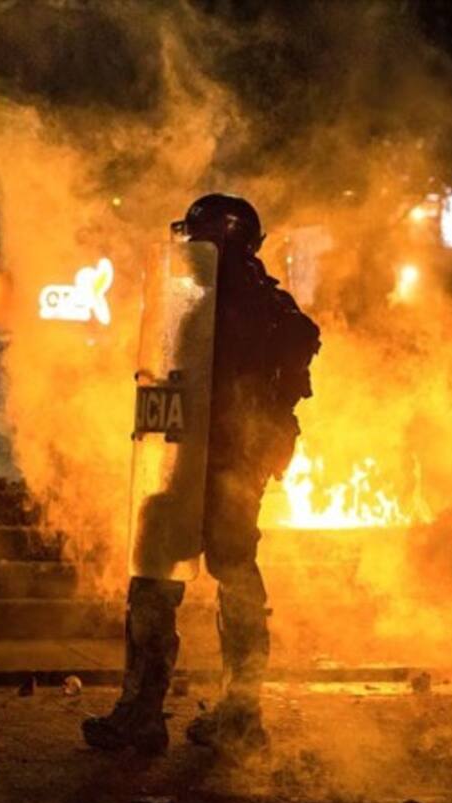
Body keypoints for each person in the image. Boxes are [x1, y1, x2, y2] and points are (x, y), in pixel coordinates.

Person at [82, 194, 320, 755]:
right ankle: (241, 714)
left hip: (204, 460)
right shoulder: (268, 303)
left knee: (157, 575)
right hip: (237, 461)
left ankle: (143, 714)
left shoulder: (213, 301)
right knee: (236, 574)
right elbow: (300, 345)